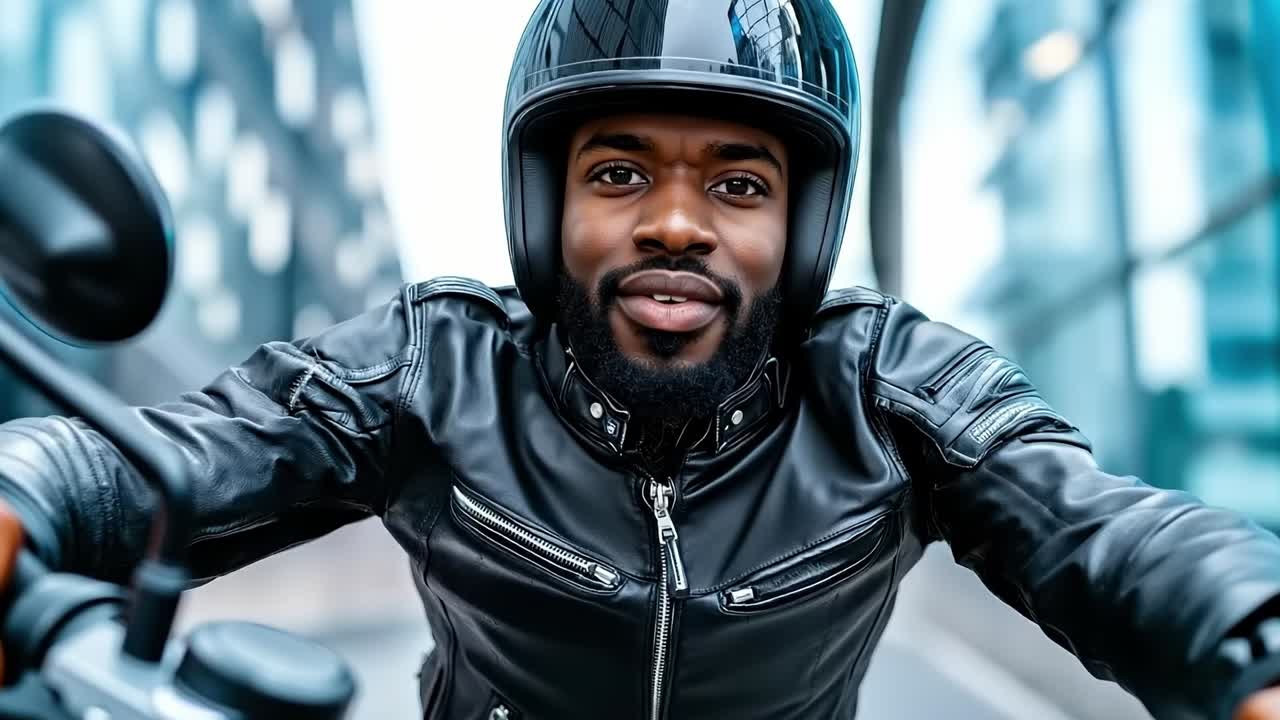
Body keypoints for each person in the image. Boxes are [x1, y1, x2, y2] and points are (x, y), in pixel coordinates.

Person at [1, 2, 1280, 718]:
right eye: (619, 172)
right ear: (546, 209)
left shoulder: (886, 388)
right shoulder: (435, 365)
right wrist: (24, 493)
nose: (675, 222)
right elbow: (168, 457)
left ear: (801, 228)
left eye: (736, 180)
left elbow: (1113, 534)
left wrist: (1251, 641)